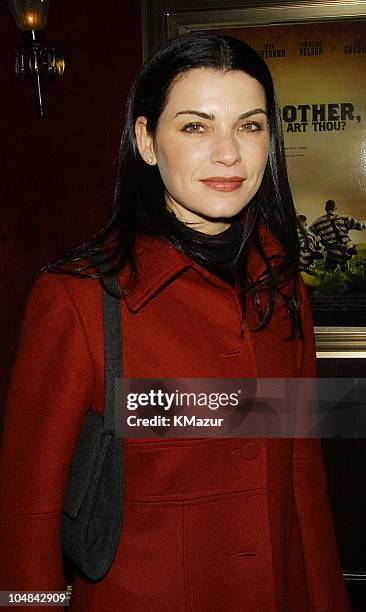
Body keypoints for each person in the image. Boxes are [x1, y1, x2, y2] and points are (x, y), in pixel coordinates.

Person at [0, 31, 351, 611]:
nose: (228, 153)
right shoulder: (77, 298)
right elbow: (26, 514)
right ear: (146, 140)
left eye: (250, 125)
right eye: (195, 126)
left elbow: (303, 491)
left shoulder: (281, 287)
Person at [310, 199, 366, 272]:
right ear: (335, 208)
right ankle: (348, 254)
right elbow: (360, 225)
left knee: (328, 274)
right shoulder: (345, 218)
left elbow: (310, 234)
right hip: (346, 249)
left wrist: (318, 245)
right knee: (345, 275)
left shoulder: (318, 222)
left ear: (325, 208)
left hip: (332, 252)